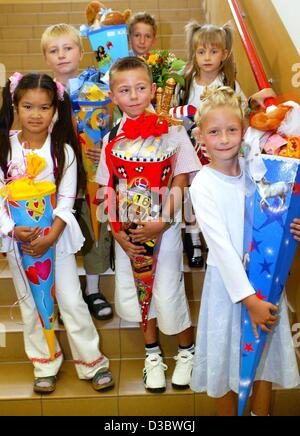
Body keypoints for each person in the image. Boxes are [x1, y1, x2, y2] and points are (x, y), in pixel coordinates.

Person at [189, 86, 300, 416]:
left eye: (232, 130)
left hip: (266, 282)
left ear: (244, 130)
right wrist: (247, 299)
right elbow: (221, 250)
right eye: (214, 132)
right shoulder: (203, 184)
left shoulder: (258, 169)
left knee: (263, 357)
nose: (224, 139)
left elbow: (279, 215)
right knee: (228, 361)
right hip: (230, 289)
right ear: (200, 136)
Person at [0, 73, 114, 393]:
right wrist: (12, 229)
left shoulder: (63, 151)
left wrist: (52, 234)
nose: (35, 114)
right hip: (18, 243)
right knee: (31, 303)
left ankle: (91, 361)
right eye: (27, 106)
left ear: (55, 110)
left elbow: (66, 199)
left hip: (57, 241)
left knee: (70, 298)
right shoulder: (5, 150)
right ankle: (44, 362)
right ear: (15, 106)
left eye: (44, 107)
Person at [95, 57, 201, 392]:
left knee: (168, 290)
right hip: (130, 234)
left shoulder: (172, 129)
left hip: (163, 229)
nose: (134, 95)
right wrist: (117, 235)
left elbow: (182, 179)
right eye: (124, 90)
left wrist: (163, 221)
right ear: (113, 95)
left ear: (153, 89)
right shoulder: (112, 135)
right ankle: (152, 354)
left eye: (141, 87)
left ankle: (187, 352)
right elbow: (107, 187)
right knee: (140, 290)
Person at [41, 24, 113, 320]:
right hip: (56, 178)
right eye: (54, 51)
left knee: (96, 230)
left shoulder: (98, 88)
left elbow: (112, 127)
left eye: (68, 48)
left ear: (81, 52)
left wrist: (106, 148)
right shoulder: (43, 93)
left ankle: (93, 288)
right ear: (46, 57)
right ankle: (60, 291)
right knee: (58, 234)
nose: (62, 55)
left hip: (93, 173)